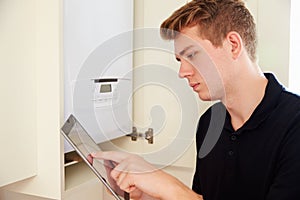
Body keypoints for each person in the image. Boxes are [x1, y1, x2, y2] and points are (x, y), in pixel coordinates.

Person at [92, 0, 300, 199]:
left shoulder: (294, 125)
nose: (182, 72)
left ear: (233, 45)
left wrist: (170, 187)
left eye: (192, 55)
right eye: (180, 60)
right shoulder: (209, 122)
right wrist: (147, 195)